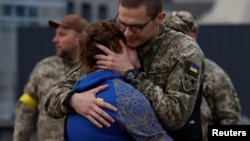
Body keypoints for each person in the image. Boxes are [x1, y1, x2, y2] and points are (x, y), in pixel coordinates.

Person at [45, 0, 205, 140]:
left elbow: (175, 118)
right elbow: (51, 97)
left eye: (137, 27)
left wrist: (130, 74)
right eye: (122, 23)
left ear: (159, 18)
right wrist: (73, 100)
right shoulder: (116, 40)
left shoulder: (184, 51)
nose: (127, 33)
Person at [65, 20, 172, 141]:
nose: (139, 51)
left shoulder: (78, 90)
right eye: (131, 46)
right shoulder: (125, 97)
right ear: (115, 51)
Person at [164, 10, 242, 141]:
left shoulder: (213, 75)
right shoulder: (156, 69)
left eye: (180, 34)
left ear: (193, 37)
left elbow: (231, 125)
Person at [13, 14, 89, 141]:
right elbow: (26, 109)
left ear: (79, 38)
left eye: (62, 34)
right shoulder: (43, 68)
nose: (55, 40)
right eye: (56, 34)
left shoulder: (96, 70)